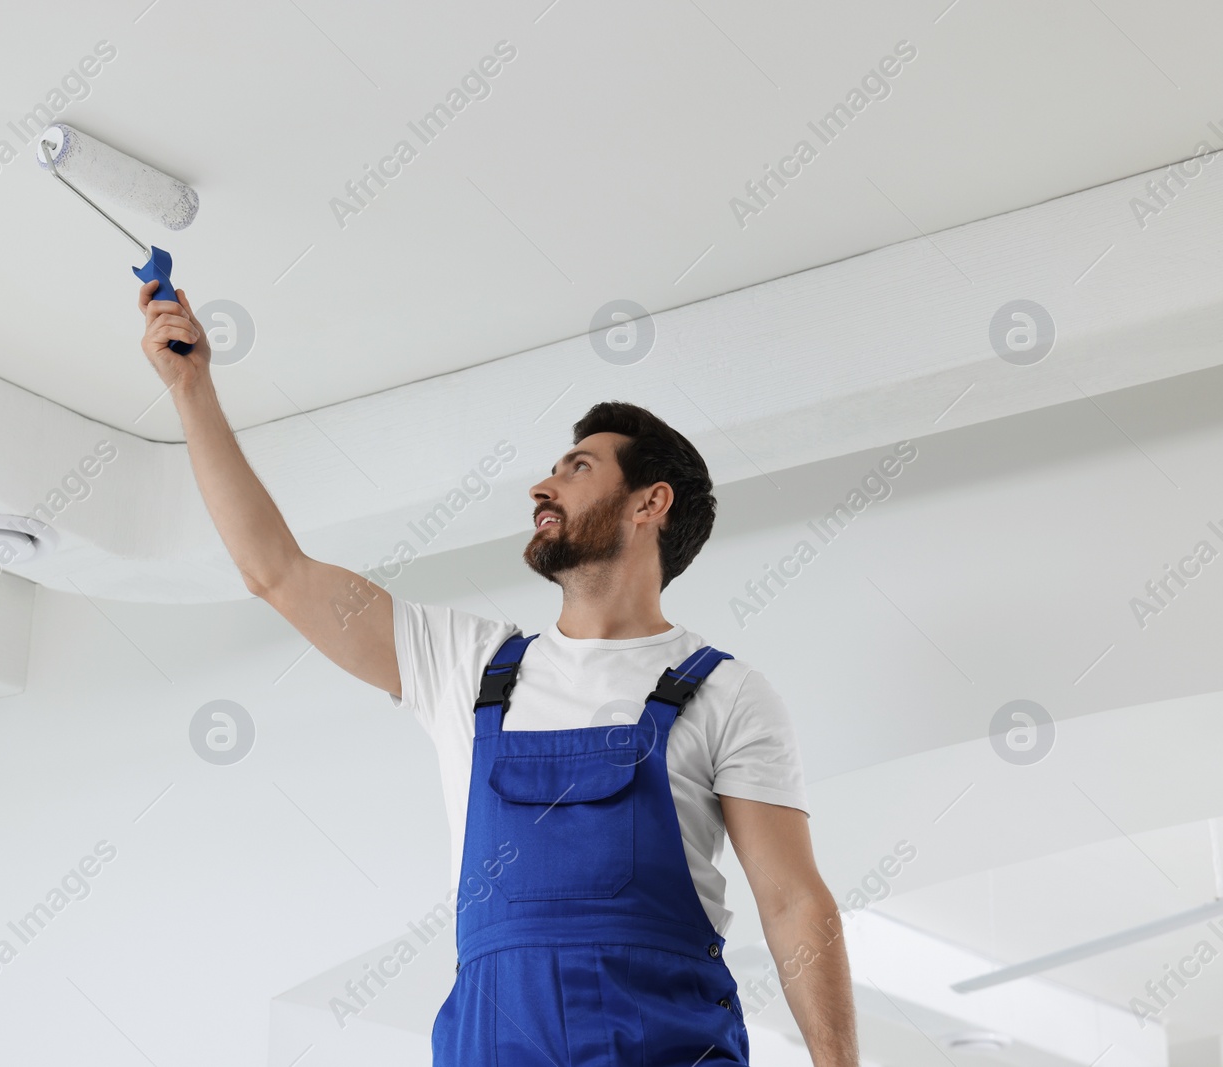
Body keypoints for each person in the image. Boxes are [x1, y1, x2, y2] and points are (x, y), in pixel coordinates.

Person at [138, 283, 859, 1067]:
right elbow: (274, 570)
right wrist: (193, 390)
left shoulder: (725, 692)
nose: (541, 487)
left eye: (578, 467)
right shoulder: (471, 666)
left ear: (650, 502)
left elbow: (792, 900)